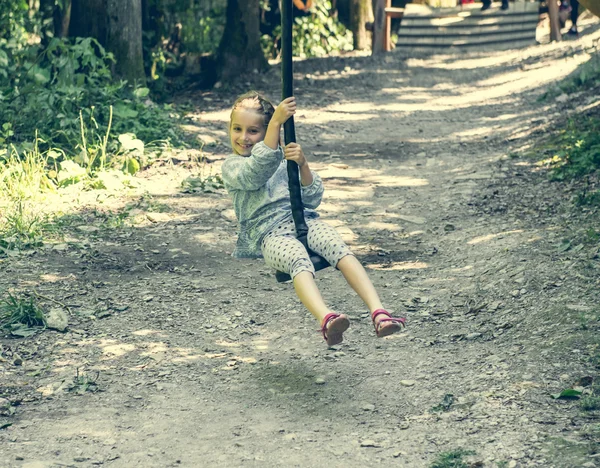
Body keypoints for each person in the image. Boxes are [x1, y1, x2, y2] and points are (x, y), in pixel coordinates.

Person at [221, 91, 406, 346]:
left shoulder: (283, 158)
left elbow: (312, 197)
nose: (243, 137)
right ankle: (327, 319)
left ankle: (379, 313)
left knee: (338, 247)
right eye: (237, 129)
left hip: (303, 221)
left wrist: (303, 165)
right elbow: (256, 172)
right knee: (297, 257)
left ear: (265, 134)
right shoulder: (233, 166)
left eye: (253, 131)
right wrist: (276, 123)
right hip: (269, 235)